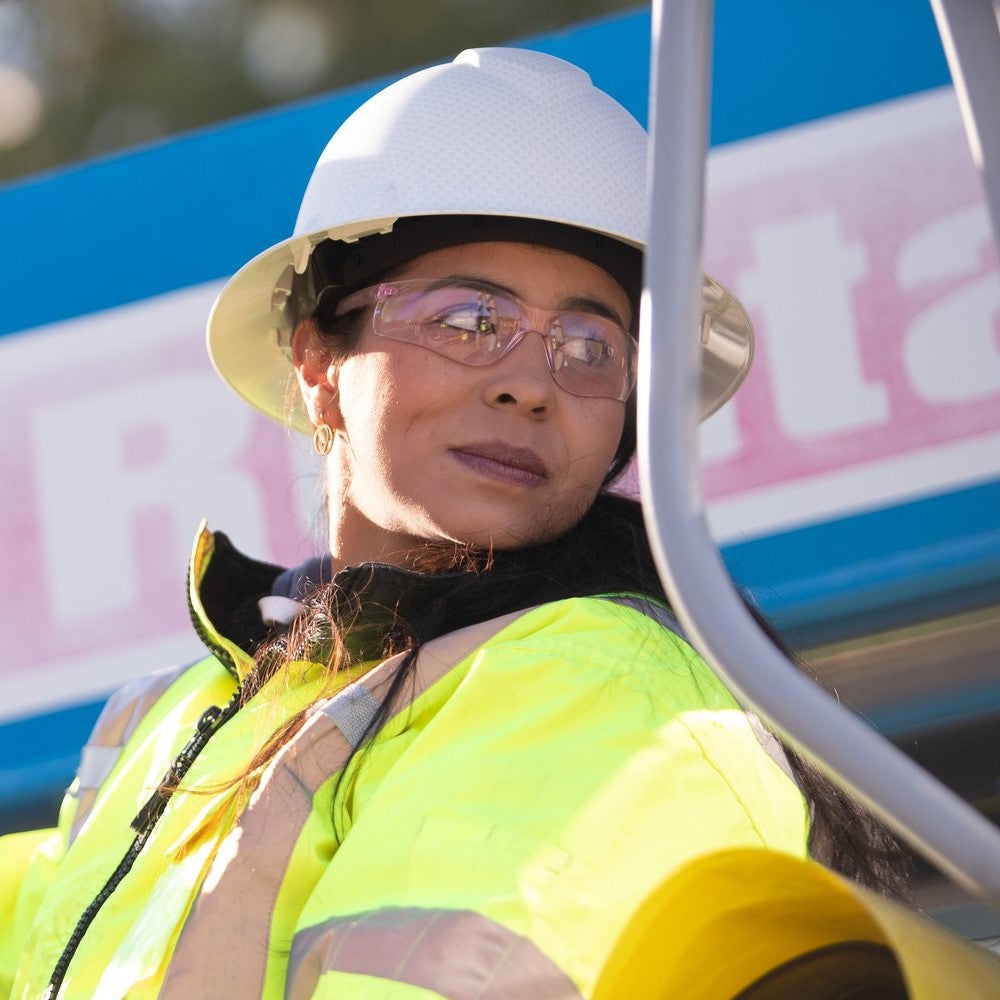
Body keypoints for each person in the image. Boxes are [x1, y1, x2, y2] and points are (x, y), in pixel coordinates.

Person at [0, 47, 907, 1000]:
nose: (528, 383)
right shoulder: (176, 713)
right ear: (319, 364)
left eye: (590, 346)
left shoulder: (596, 681)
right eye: (471, 319)